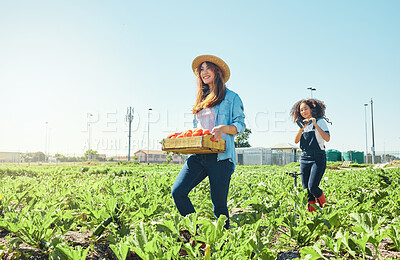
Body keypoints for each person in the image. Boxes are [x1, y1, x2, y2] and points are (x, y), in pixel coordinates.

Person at [171, 55, 246, 228]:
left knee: (219, 206)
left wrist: (223, 129)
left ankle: (224, 242)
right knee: (178, 192)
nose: (204, 72)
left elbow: (240, 125)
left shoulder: (232, 97)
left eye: (207, 68)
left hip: (221, 157)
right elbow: (198, 128)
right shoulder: (202, 99)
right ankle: (198, 233)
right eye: (201, 70)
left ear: (217, 71)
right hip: (199, 155)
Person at [290, 99, 331, 212]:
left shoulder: (320, 121)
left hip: (318, 157)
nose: (303, 112)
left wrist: (315, 124)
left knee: (313, 187)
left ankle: (326, 209)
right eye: (301, 110)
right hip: (304, 157)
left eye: (306, 109)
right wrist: (301, 128)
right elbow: (296, 141)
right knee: (306, 190)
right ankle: (312, 214)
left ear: (312, 109)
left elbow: (327, 138)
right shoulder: (302, 125)